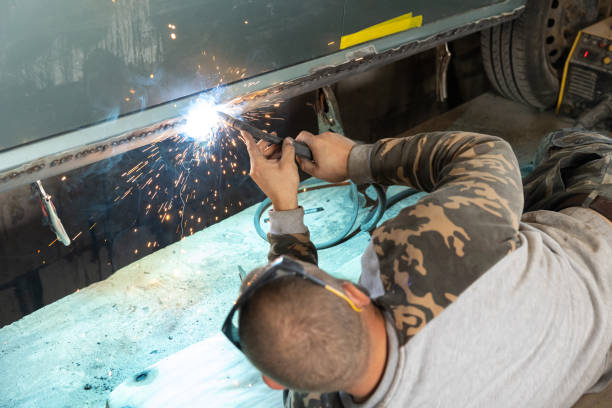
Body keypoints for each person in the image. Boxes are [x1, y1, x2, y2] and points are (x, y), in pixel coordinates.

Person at [222, 127, 612, 407]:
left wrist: (285, 209)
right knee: (567, 145)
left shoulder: (312, 399)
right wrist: (355, 159)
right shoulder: (422, 252)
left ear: (273, 382)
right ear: (355, 293)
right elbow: (485, 153)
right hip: (596, 262)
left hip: (590, 359)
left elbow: (295, 340)